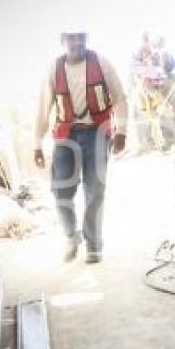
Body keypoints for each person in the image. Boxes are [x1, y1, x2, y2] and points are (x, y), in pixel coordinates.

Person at [34, 29, 128, 264]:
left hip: (97, 133)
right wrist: (36, 144)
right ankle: (71, 237)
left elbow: (119, 98)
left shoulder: (101, 62)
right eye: (71, 38)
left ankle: (94, 245)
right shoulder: (53, 69)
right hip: (66, 136)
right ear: (62, 41)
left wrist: (121, 132)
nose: (77, 43)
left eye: (81, 38)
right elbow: (43, 109)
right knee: (60, 191)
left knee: (95, 191)